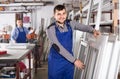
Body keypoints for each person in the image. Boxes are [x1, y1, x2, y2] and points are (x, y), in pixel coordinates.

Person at [46, 4, 100, 79]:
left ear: (66, 14)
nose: (62, 16)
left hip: (68, 62)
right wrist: (74, 60)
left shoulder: (70, 24)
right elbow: (58, 47)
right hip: (56, 62)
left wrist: (93, 30)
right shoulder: (50, 29)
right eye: (59, 14)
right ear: (54, 15)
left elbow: (83, 27)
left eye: (63, 13)